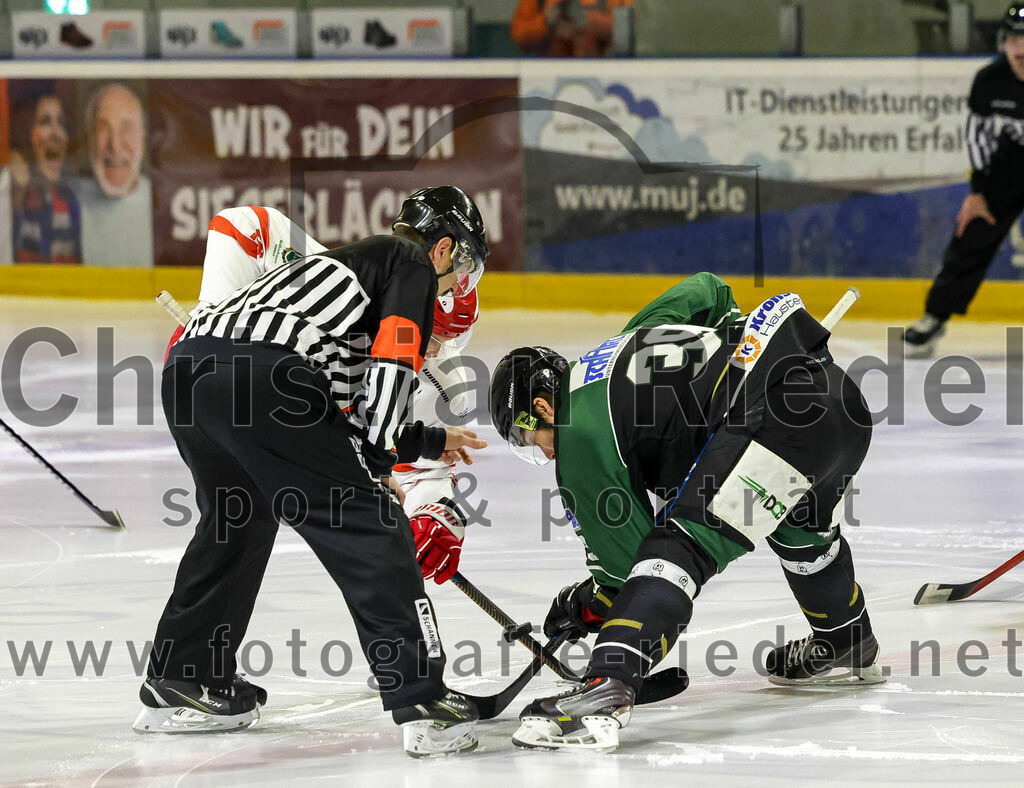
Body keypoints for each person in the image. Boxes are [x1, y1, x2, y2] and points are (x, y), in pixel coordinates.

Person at [135, 187, 489, 758]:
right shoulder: (411, 263)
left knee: (237, 522)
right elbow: (392, 371)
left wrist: (424, 441)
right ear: (444, 248)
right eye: (464, 266)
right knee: (374, 528)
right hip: (265, 380)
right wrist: (377, 471)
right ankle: (423, 701)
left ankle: (182, 678)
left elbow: (341, 414)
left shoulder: (340, 274)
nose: (456, 285)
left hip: (190, 372)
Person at [488, 273, 884, 752]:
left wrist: (585, 603)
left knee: (676, 549)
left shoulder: (578, 435)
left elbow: (629, 571)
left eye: (530, 439)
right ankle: (845, 636)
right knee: (798, 531)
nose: (546, 453)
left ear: (543, 406)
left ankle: (607, 686)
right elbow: (708, 289)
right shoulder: (629, 338)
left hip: (774, 420)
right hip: (838, 399)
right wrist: (729, 358)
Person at [171, 195, 482, 585]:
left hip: (262, 409)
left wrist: (438, 514)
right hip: (242, 388)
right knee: (239, 519)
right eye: (433, 334)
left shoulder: (444, 382)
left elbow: (426, 472)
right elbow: (244, 223)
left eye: (450, 340)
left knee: (241, 521)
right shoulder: (337, 276)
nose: (435, 350)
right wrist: (213, 314)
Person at [903, 3, 1024, 357]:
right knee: (973, 230)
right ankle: (934, 316)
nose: (1021, 49)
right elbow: (977, 135)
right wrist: (978, 192)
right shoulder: (990, 80)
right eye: (1014, 39)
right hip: (1012, 161)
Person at [77, 82, 154, 267]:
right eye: (103, 128)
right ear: (89, 138)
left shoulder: (164, 202)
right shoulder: (68, 200)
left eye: (126, 127)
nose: (115, 145)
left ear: (142, 137)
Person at [11, 91, 81, 263]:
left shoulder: (73, 198)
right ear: (31, 134)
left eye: (61, 123)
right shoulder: (18, 191)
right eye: (45, 121)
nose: (55, 132)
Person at [511, 0, 632, 57]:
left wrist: (584, 23)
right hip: (550, 73)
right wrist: (545, 22)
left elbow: (627, 31)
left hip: (599, 69)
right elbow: (519, 35)